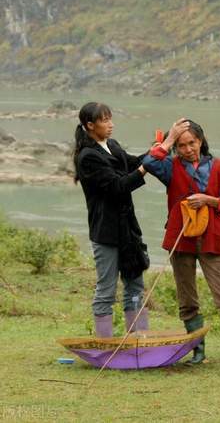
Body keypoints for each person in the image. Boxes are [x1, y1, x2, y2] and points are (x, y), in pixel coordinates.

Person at [143, 118, 220, 367]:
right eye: (182, 145)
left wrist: (209, 200)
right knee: (187, 298)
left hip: (212, 237)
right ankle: (198, 353)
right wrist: (169, 138)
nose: (188, 149)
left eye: (192, 143)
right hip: (180, 237)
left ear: (201, 140)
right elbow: (148, 162)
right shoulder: (169, 167)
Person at [73, 102, 150, 337]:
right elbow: (118, 186)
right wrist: (147, 166)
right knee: (107, 289)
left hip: (128, 230)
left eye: (110, 118)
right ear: (90, 125)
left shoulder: (112, 146)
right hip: (106, 232)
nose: (110, 124)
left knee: (135, 285)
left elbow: (135, 163)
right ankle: (105, 343)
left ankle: (138, 338)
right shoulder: (88, 157)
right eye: (105, 120)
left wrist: (162, 147)